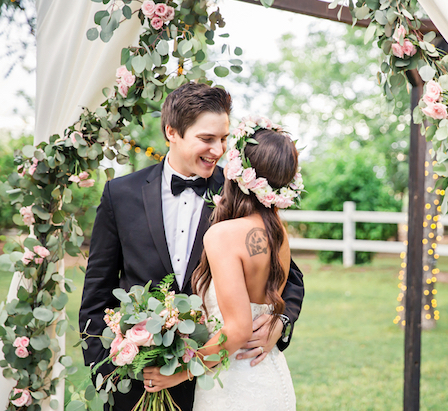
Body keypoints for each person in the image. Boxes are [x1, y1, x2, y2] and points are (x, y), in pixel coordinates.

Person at [78, 84, 304, 411]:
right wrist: (109, 368)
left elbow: (289, 277)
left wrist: (279, 322)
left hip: (216, 376)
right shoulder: (119, 194)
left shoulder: (241, 194)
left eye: (224, 139)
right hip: (140, 378)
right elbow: (97, 288)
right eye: (207, 139)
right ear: (172, 131)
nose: (218, 150)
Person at [141, 116, 302, 410]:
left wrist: (181, 373)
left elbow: (238, 330)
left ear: (236, 171)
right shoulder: (279, 232)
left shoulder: (222, 235)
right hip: (270, 375)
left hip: (233, 387)